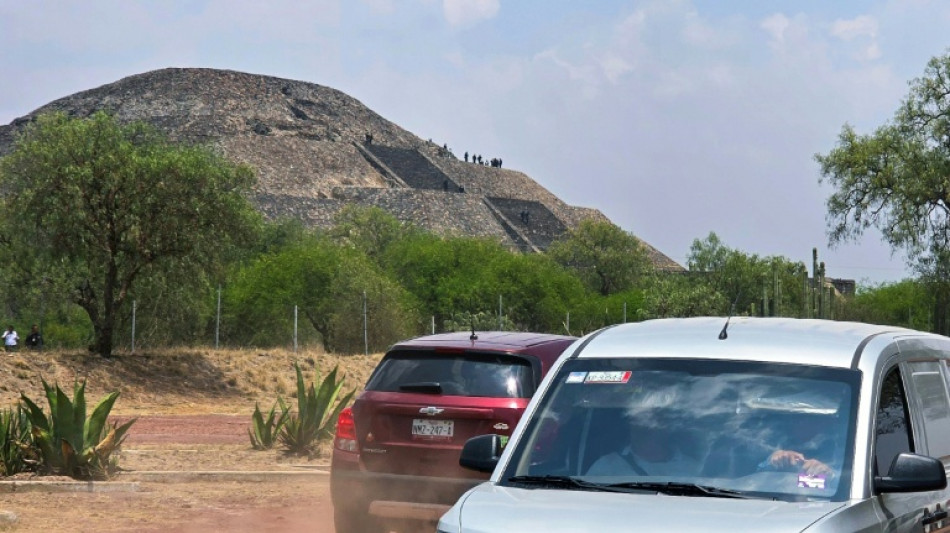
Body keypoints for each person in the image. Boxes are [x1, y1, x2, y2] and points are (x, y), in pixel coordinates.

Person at [587, 412, 700, 477]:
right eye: (636, 423)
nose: (642, 428)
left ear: (666, 428)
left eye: (650, 425)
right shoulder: (606, 465)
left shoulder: (693, 468)